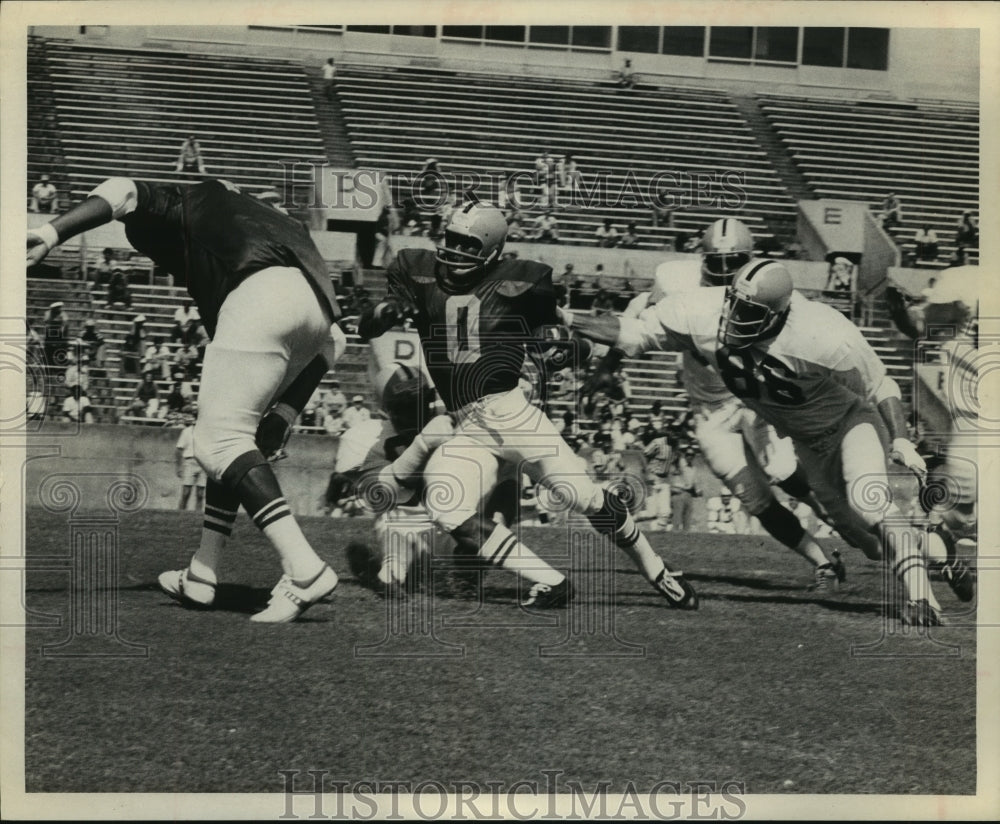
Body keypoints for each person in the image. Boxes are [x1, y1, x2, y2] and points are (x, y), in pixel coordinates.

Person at [27, 174, 347, 623]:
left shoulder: (190, 197)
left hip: (260, 294)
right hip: (314, 314)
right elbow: (336, 340)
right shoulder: (272, 222)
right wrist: (288, 412)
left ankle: (305, 569)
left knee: (218, 443)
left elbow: (121, 188)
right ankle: (203, 571)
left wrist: (50, 233)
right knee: (234, 436)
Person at [568, 258, 947, 626]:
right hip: (807, 442)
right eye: (734, 306)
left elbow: (881, 384)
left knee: (870, 504)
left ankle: (922, 600)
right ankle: (936, 550)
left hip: (851, 425)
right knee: (870, 545)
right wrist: (563, 316)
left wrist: (901, 438)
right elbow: (634, 334)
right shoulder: (705, 308)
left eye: (748, 313)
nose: (734, 318)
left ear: (777, 314)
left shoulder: (821, 332)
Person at [358, 201, 697, 609]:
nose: (456, 252)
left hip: (510, 414)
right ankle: (552, 583)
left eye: (468, 244)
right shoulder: (419, 270)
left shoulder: (520, 282)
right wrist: (385, 311)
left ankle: (657, 570)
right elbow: (370, 322)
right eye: (451, 241)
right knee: (448, 507)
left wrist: (570, 350)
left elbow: (562, 334)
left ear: (492, 250)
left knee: (586, 498)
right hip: (465, 423)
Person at [176, 413, 206, 511]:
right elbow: (179, 449)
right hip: (190, 462)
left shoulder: (208, 433)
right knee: (186, 492)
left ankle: (198, 516)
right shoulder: (186, 432)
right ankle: (181, 513)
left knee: (200, 494)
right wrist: (179, 466)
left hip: (203, 464)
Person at [41, 301, 69, 369]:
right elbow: (46, 323)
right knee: (48, 352)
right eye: (57, 308)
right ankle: (48, 365)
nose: (58, 309)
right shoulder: (48, 313)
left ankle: (60, 366)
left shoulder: (63, 314)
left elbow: (65, 324)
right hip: (50, 335)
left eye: (59, 308)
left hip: (59, 336)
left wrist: (61, 330)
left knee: (61, 351)